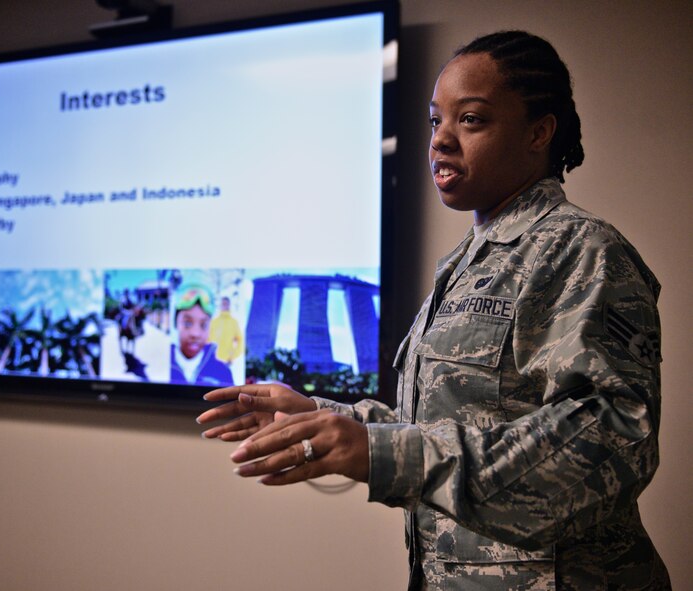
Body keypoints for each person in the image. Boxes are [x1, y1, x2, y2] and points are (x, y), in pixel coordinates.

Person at [196, 31, 671, 590]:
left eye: (470, 120)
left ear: (539, 132)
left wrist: (389, 455)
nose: (440, 141)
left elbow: (614, 440)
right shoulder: (467, 262)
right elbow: (450, 427)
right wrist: (324, 418)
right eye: (434, 121)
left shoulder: (583, 251)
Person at [170, 284, 234, 387]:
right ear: (175, 323)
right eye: (187, 323)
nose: (195, 334)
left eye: (203, 325)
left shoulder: (223, 373)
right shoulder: (159, 364)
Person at [208, 296, 244, 365]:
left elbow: (240, 341)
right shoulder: (214, 322)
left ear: (229, 305)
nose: (224, 306)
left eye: (226, 304)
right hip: (213, 360)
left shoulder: (234, 322)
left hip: (226, 361)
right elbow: (206, 340)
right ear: (220, 306)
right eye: (223, 304)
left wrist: (233, 355)